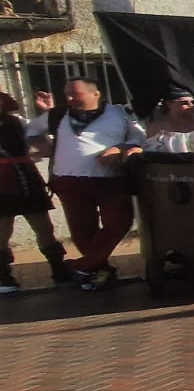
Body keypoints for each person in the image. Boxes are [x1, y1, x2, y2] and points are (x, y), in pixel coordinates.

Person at [25, 78, 147, 291]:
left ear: (95, 94)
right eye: (67, 94)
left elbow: (140, 139)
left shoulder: (119, 113)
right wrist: (47, 147)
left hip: (110, 179)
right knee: (82, 231)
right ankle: (99, 272)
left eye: (75, 94)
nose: (70, 98)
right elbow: (31, 131)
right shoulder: (57, 115)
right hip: (68, 180)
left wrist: (119, 148)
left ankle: (81, 266)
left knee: (119, 221)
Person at [0, 91, 67, 293]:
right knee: (2, 228)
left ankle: (59, 269)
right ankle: (3, 277)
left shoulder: (17, 122)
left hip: (25, 177)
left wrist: (48, 111)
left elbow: (44, 145)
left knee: (43, 226)